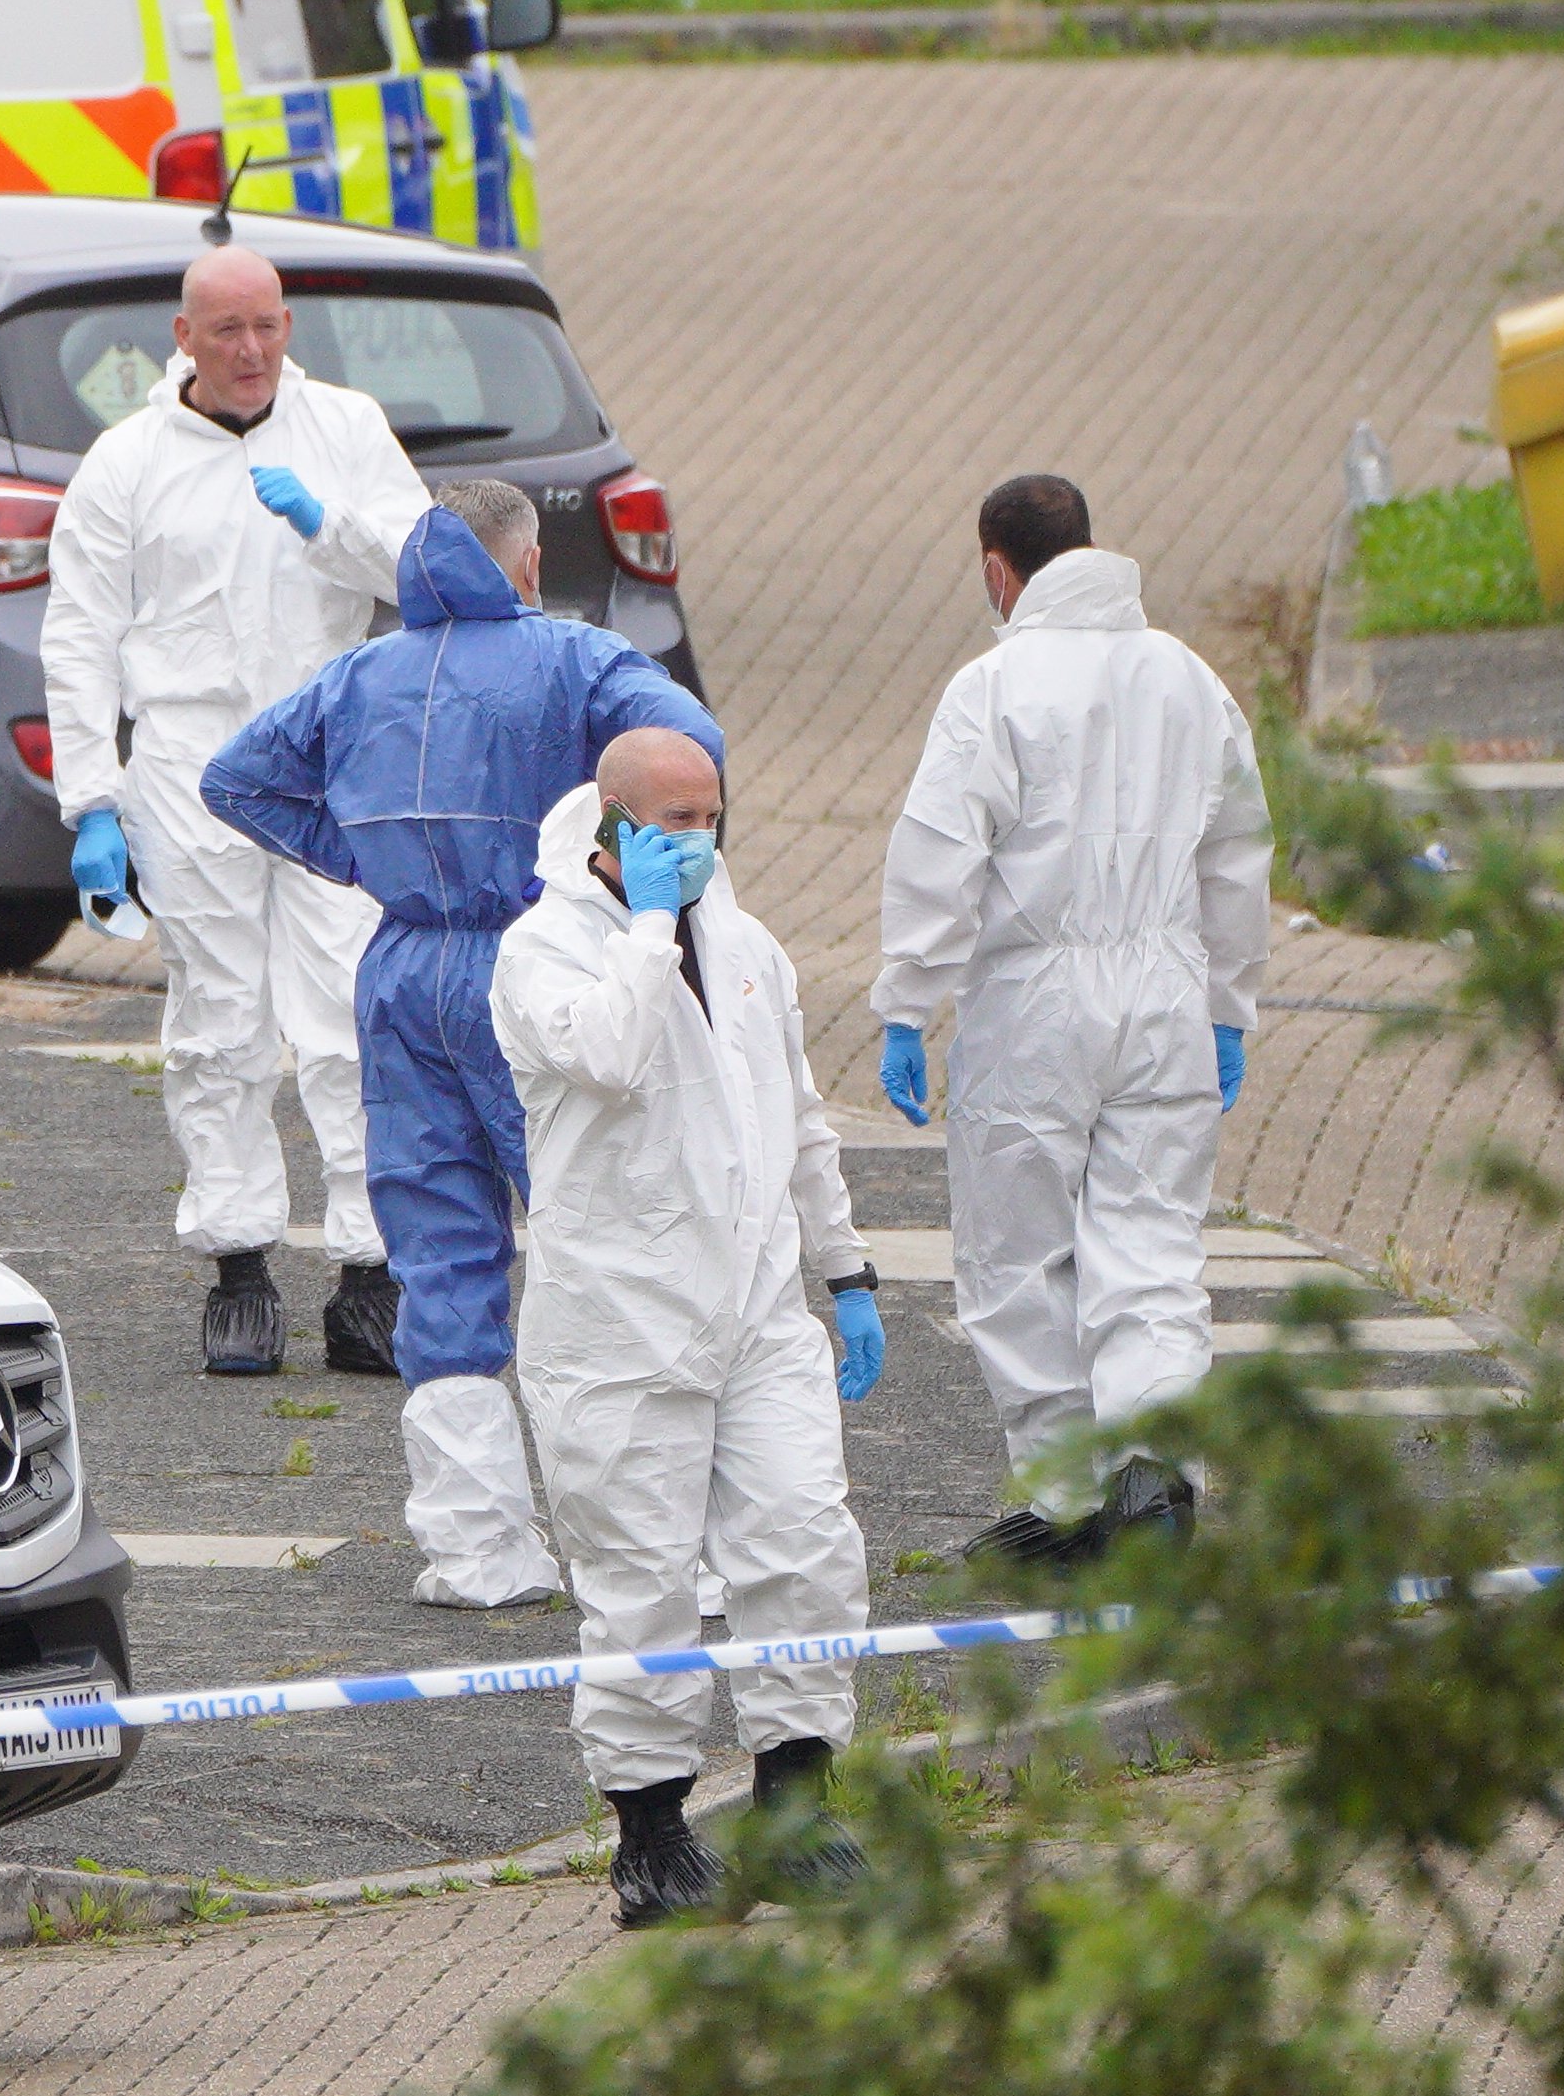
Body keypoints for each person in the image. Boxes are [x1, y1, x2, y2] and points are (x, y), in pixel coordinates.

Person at [202, 479, 726, 1605]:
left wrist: (357, 856)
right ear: (525, 562)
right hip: (536, 957)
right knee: (607, 1233)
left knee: (438, 1252)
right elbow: (691, 745)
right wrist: (609, 852)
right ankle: (656, 1543)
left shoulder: (360, 673)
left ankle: (477, 1548)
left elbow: (232, 778)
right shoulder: (575, 659)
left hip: (399, 970)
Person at [495, 729, 883, 1929]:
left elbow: (801, 1120)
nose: (695, 843)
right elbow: (608, 1052)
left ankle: (796, 1802)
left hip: (757, 1313)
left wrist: (846, 1267)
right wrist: (652, 932)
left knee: (805, 1543)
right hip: (618, 1326)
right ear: (609, 825)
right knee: (640, 1584)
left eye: (710, 818)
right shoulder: (539, 950)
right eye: (669, 824)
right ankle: (652, 1838)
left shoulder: (752, 948)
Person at [36, 243, 431, 1374]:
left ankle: (370, 1272)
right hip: (190, 762)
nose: (251, 352)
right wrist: (92, 803)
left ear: (288, 326)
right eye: (227, 333)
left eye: (267, 327)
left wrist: (327, 524)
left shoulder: (347, 431)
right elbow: (81, 631)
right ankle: (241, 1265)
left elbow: (419, 566)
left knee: (354, 1012)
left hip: (326, 751)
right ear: (184, 340)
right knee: (219, 1020)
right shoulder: (127, 462)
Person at [871, 472, 1272, 1567]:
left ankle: (1066, 1505)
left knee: (1020, 1254)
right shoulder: (1190, 679)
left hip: (1036, 1001)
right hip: (1165, 994)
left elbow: (940, 851)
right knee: (1148, 1243)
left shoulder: (995, 686)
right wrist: (1228, 1002)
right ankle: (1155, 1476)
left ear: (1000, 570)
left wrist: (908, 1002)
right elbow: (1237, 850)